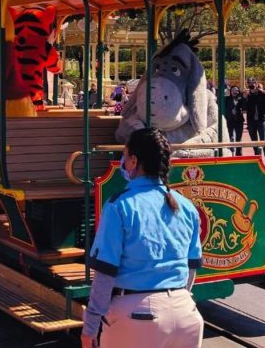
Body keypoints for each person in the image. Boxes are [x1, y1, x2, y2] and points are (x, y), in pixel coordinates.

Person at [82, 128, 203, 348]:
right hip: (186, 313)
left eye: (125, 156)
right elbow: (191, 269)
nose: (123, 161)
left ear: (133, 162)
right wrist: (175, 303)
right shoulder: (186, 206)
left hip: (137, 316)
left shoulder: (119, 206)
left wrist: (89, 327)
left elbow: (105, 274)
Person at [245, 80, 265, 157]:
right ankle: (257, 157)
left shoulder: (262, 94)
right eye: (249, 84)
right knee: (254, 141)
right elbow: (244, 107)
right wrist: (245, 98)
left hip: (260, 120)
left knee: (263, 140)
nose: (251, 85)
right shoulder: (248, 95)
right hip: (251, 120)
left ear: (256, 84)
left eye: (253, 83)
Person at [224, 86, 246, 155]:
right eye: (233, 90)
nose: (235, 92)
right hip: (230, 120)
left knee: (238, 138)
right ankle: (230, 152)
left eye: (237, 90)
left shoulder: (240, 99)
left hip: (239, 121)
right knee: (230, 136)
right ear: (230, 91)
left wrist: (244, 98)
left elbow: (244, 107)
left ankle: (238, 153)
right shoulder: (227, 99)